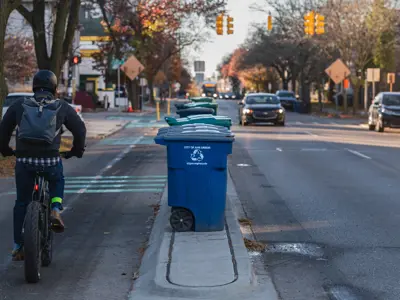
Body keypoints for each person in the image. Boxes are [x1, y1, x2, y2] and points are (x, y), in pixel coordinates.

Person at [0, 70, 86, 261]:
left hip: (24, 161)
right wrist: (76, 150)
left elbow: (4, 129)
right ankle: (55, 207)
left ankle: (18, 246)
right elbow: (79, 129)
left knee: (21, 202)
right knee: (57, 179)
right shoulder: (61, 106)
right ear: (54, 88)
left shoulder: (19, 105)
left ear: (34, 87)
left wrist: (5, 149)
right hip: (50, 160)